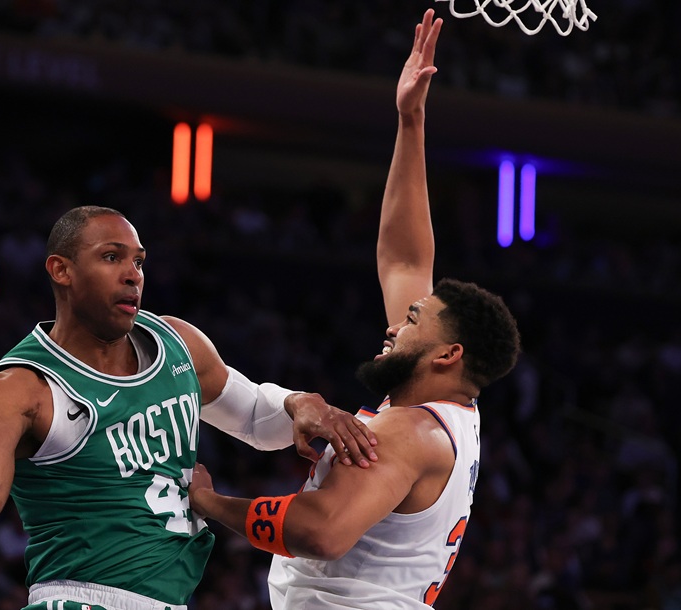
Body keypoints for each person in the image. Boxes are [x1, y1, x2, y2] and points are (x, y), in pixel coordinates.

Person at [0, 206, 380, 609]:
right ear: (60, 270)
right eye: (112, 258)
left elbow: (257, 421)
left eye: (138, 261)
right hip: (80, 598)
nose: (133, 274)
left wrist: (298, 404)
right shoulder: (21, 386)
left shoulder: (177, 342)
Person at [187, 10, 521, 609]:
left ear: (448, 353)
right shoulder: (447, 410)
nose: (397, 323)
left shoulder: (409, 431)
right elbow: (402, 260)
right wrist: (410, 119)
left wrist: (210, 504)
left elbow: (322, 531)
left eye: (414, 321)